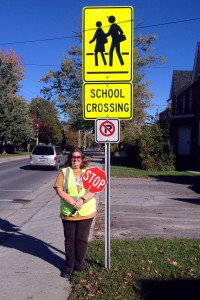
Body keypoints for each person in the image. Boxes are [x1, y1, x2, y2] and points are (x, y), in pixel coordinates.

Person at [54, 147, 96, 278]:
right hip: (69, 212)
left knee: (82, 240)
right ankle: (68, 266)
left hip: (86, 212)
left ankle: (79, 264)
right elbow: (59, 189)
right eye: (73, 157)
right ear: (70, 158)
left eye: (78, 157)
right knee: (70, 240)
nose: (76, 159)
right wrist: (73, 202)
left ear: (82, 159)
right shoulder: (64, 172)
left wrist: (81, 201)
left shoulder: (89, 172)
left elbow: (94, 189)